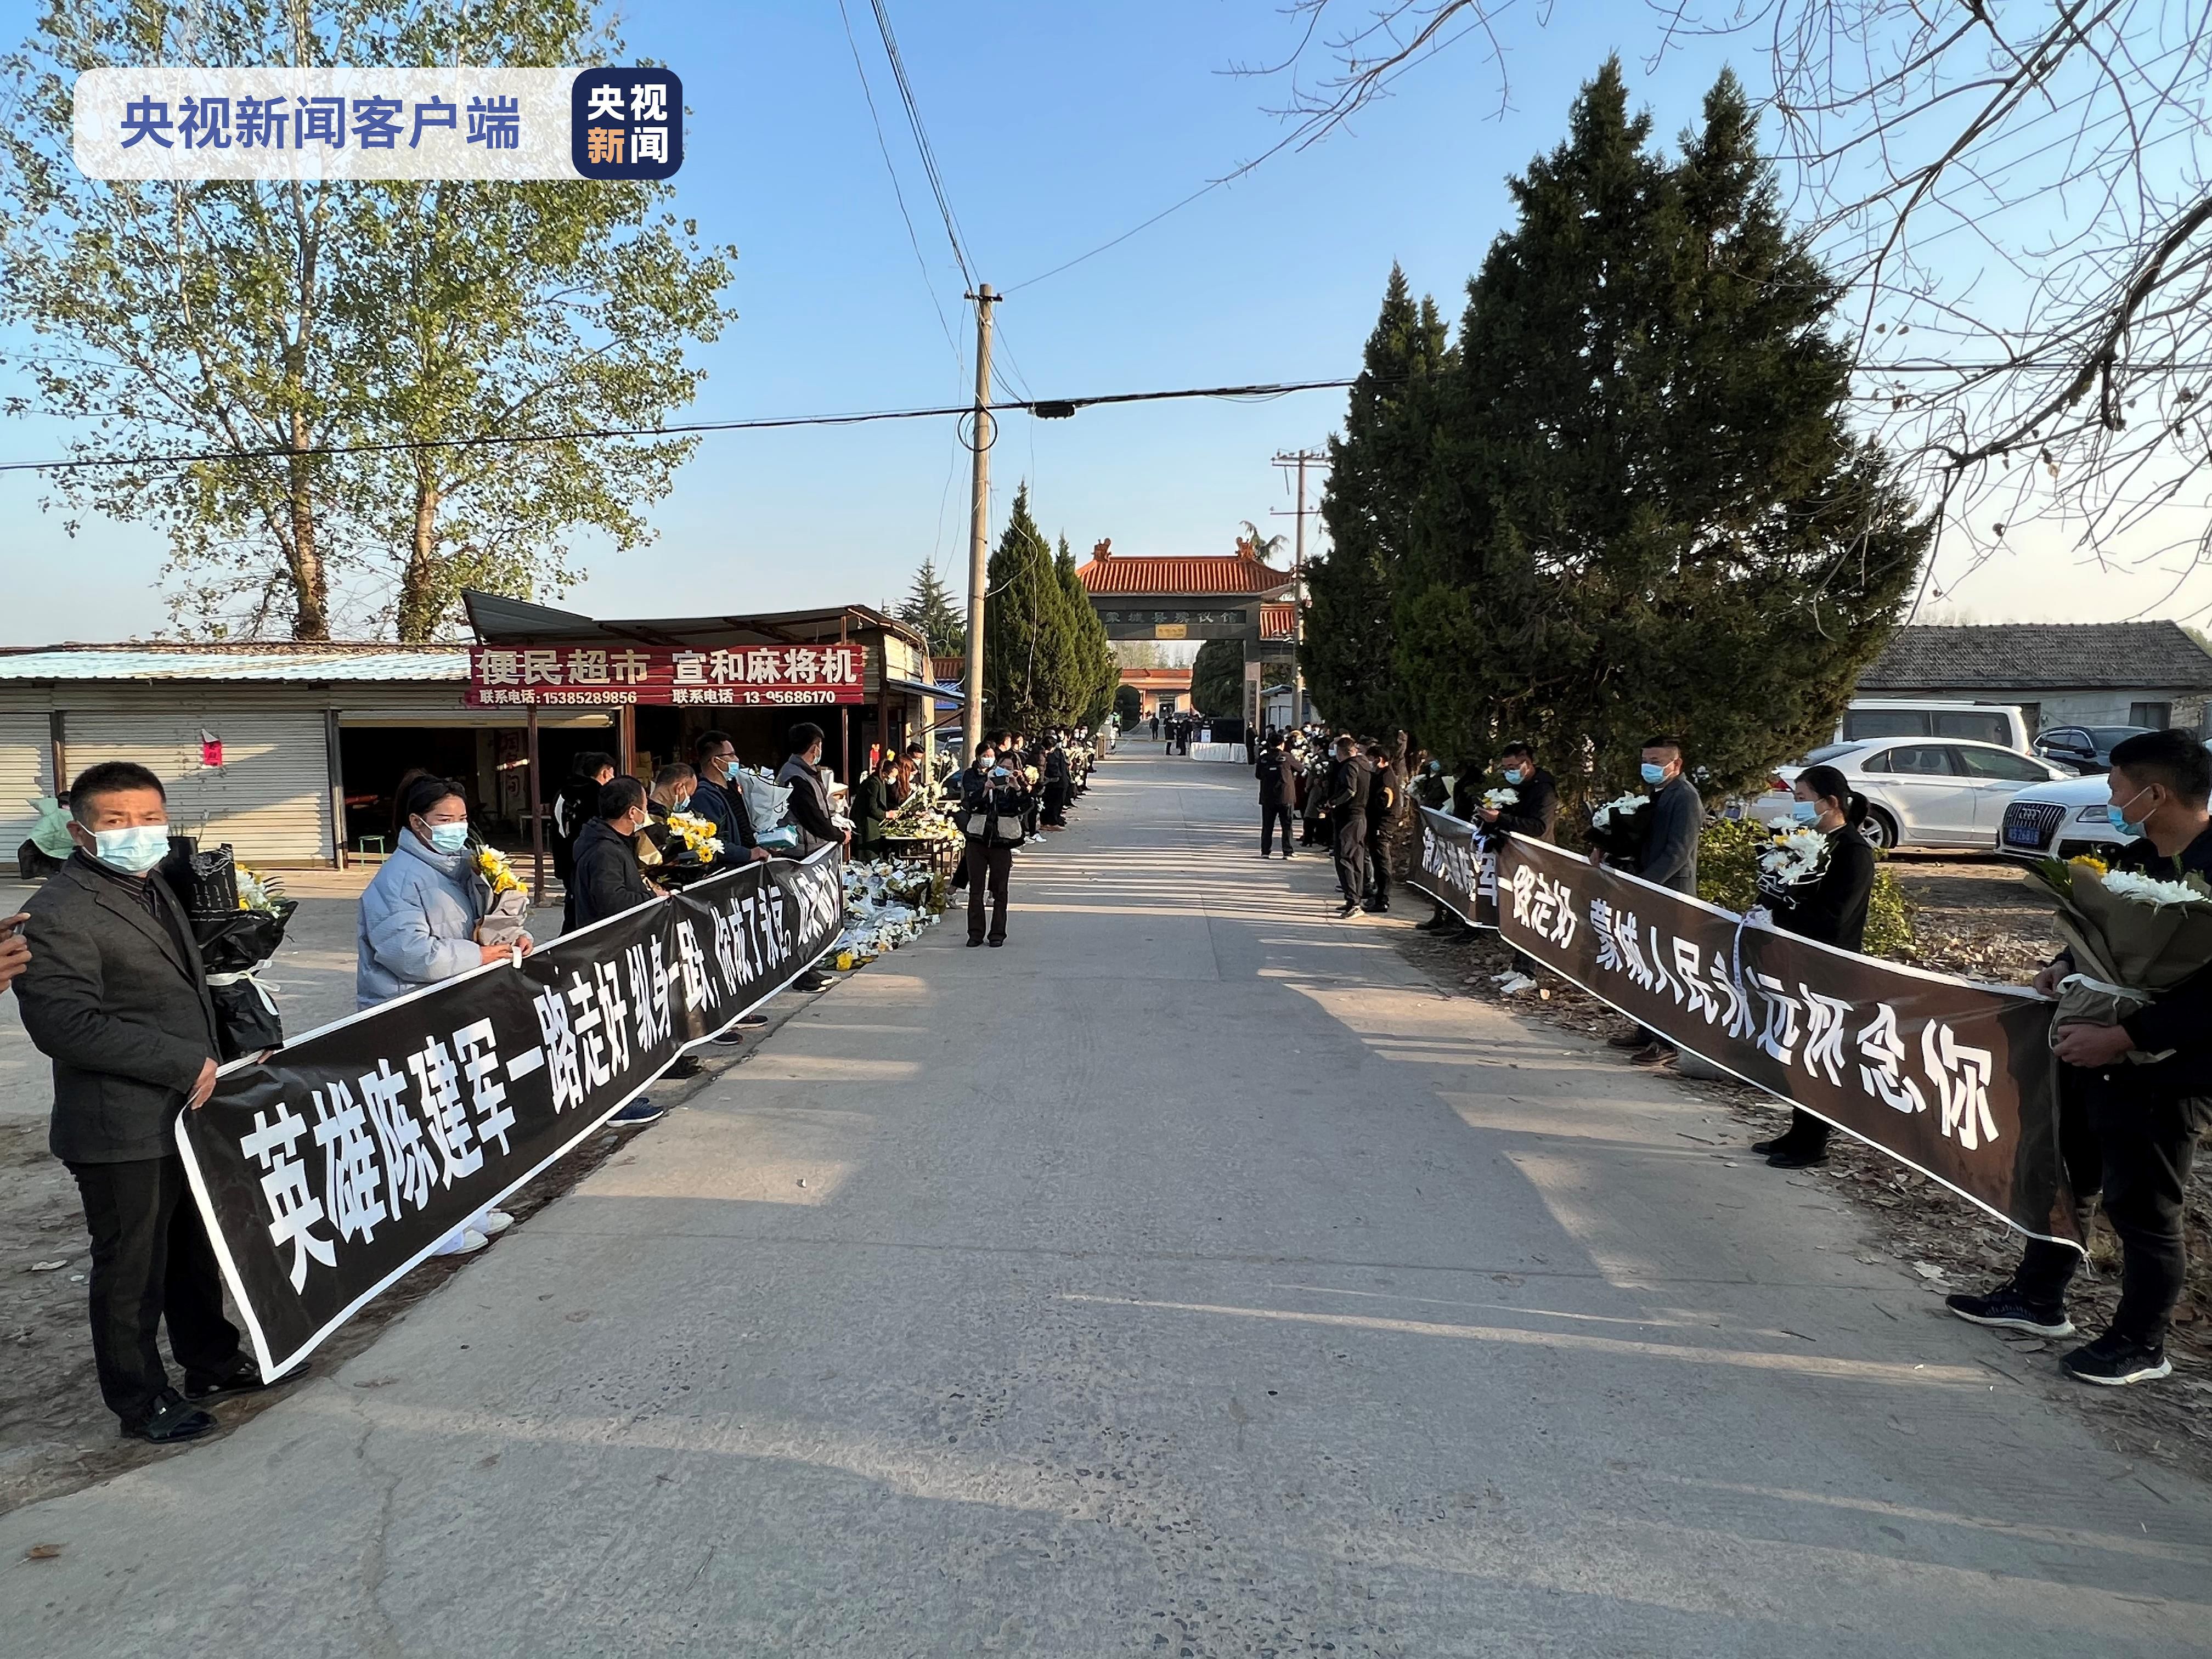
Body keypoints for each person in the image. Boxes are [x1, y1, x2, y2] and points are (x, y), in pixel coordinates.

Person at [13, 763, 286, 1445]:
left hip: (186, 1114)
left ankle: (212, 1362)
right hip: (121, 1124)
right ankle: (140, 1400)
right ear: (80, 831)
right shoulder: (57, 913)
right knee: (132, 1267)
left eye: (149, 818)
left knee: (193, 1249)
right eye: (116, 821)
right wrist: (182, 1063)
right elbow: (65, 1026)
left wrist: (240, 1037)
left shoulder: (157, 883)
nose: (137, 832)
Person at [1946, 729, 2212, 1386]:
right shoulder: (2134, 857)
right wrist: (2064, 964)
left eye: (2119, 790)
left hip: (2168, 1067)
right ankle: (2039, 1297)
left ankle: (2141, 1343)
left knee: (2145, 1209)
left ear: (2157, 793)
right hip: (2090, 1051)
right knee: (2068, 1177)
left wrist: (2127, 1036)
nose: (2114, 802)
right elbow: (2102, 934)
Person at [359, 776, 576, 1182]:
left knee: (470, 1109)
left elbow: (480, 923)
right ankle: (450, 1211)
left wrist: (511, 937)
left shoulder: (463, 865)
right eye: (445, 819)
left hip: (457, 1007)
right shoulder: (398, 881)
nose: (456, 827)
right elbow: (409, 953)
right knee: (433, 1119)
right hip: (413, 1015)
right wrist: (479, 956)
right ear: (417, 823)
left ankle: (479, 1199)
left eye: (462, 818)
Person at [1746, 763, 1878, 1170]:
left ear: (1830, 802)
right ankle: (1798, 1130)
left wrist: (1782, 913)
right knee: (1794, 1048)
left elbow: (1835, 918)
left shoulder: (1853, 851)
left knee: (1818, 1054)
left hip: (1830, 965)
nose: (1797, 806)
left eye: (1802, 798)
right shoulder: (1804, 841)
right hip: (1796, 960)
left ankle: (1814, 1141)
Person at [1597, 736, 1703, 1066]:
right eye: (1645, 760)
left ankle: (1668, 1042)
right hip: (1647, 888)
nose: (1649, 767)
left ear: (1676, 763)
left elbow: (1678, 851)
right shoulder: (1656, 793)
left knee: (1667, 968)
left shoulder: (1685, 798)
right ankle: (1646, 1029)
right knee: (1645, 964)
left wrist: (1645, 885)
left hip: (1670, 892)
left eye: (1656, 762)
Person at [775, 726, 843, 992]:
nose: (820, 750)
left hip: (811, 851)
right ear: (814, 747)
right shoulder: (795, 777)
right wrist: (838, 835)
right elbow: (812, 817)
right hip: (801, 855)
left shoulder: (806, 773)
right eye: (819, 745)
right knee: (800, 916)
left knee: (811, 916)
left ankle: (810, 967)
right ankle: (802, 974)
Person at [960, 739, 1031, 947]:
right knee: (976, 889)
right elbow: (969, 804)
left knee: (1000, 890)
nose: (1005, 771)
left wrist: (1017, 788)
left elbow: (1026, 807)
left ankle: (997, 934)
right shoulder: (981, 779)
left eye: (1010, 768)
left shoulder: (1017, 786)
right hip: (977, 840)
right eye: (1002, 767)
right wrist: (985, 790)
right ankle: (975, 934)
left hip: (1002, 843)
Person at [551, 751, 616, 933]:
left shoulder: (562, 793)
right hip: (589, 862)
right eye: (612, 774)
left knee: (572, 912)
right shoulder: (598, 795)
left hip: (565, 860)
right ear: (605, 773)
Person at [1324, 736, 1373, 919]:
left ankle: (1354, 901)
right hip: (1360, 817)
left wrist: (1333, 803)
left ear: (1341, 752)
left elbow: (1350, 790)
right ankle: (1354, 898)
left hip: (1349, 817)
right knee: (1356, 858)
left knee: (1344, 858)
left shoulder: (1350, 766)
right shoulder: (1364, 764)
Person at [1362, 744, 1401, 913]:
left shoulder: (1386, 779)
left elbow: (1384, 804)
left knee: (1382, 862)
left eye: (1370, 760)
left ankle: (1383, 899)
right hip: (1375, 824)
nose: (1368, 763)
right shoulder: (1378, 775)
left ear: (1380, 760)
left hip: (1382, 825)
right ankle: (1378, 895)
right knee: (1377, 862)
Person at [1255, 735, 1300, 859]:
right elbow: (1301, 768)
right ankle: (1288, 851)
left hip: (1268, 796)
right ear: (1282, 744)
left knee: (1267, 825)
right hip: (1285, 796)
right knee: (1287, 825)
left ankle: (1265, 851)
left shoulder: (1263, 758)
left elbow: (1258, 775)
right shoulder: (1287, 757)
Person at [1041, 731, 1070, 830]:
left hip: (1060, 781)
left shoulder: (1057, 753)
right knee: (1053, 803)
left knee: (1057, 803)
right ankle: (1051, 823)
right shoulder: (1049, 755)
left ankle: (1054, 820)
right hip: (1055, 783)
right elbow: (1054, 769)